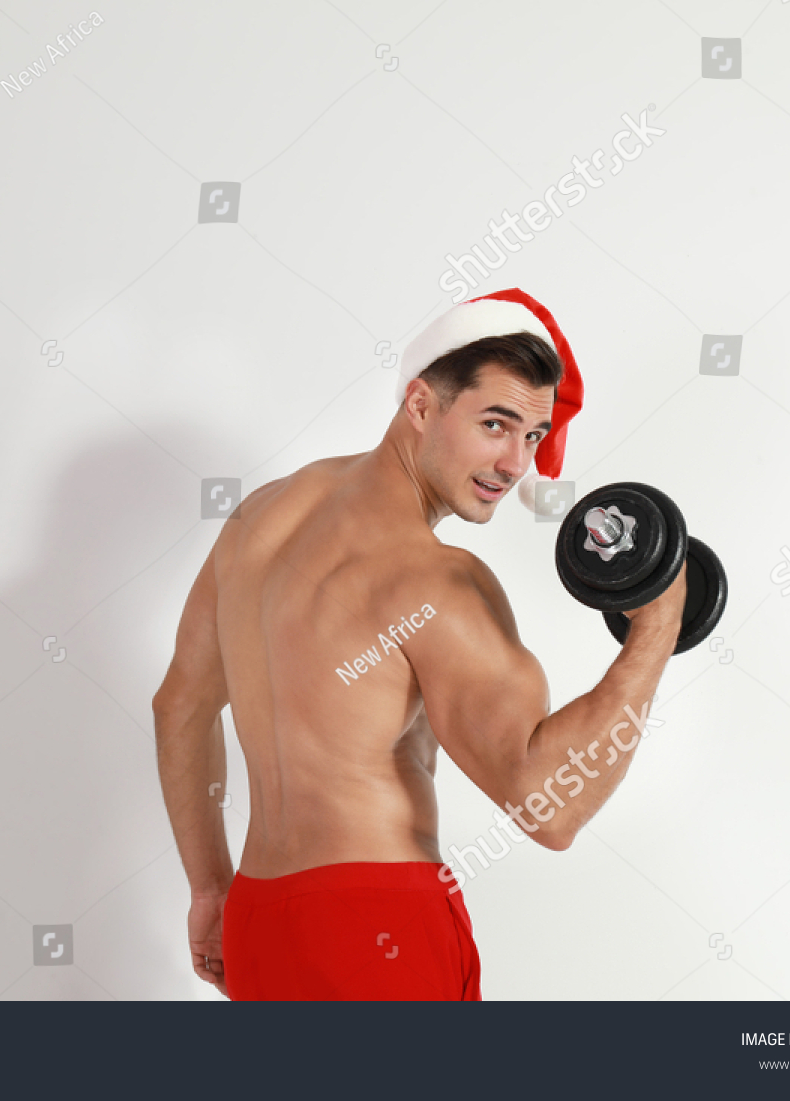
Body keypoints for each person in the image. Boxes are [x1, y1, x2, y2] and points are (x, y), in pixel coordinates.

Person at [152, 289, 686, 1000]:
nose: (514, 461)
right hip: (380, 931)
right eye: (495, 424)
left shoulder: (261, 516)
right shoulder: (439, 581)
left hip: (259, 919)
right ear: (421, 404)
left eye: (533, 434)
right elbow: (550, 808)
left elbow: (180, 705)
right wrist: (655, 628)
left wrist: (210, 888)